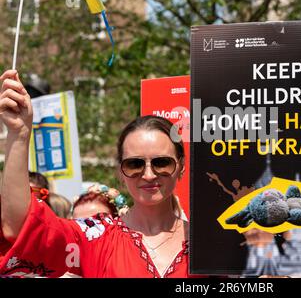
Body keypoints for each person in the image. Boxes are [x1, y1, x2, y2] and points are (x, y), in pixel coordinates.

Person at [0, 69, 189, 278]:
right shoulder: (95, 236)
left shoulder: (211, 242)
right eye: (134, 164)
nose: (148, 174)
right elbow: (22, 225)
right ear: (120, 171)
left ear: (181, 166)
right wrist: (19, 133)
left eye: (162, 163)